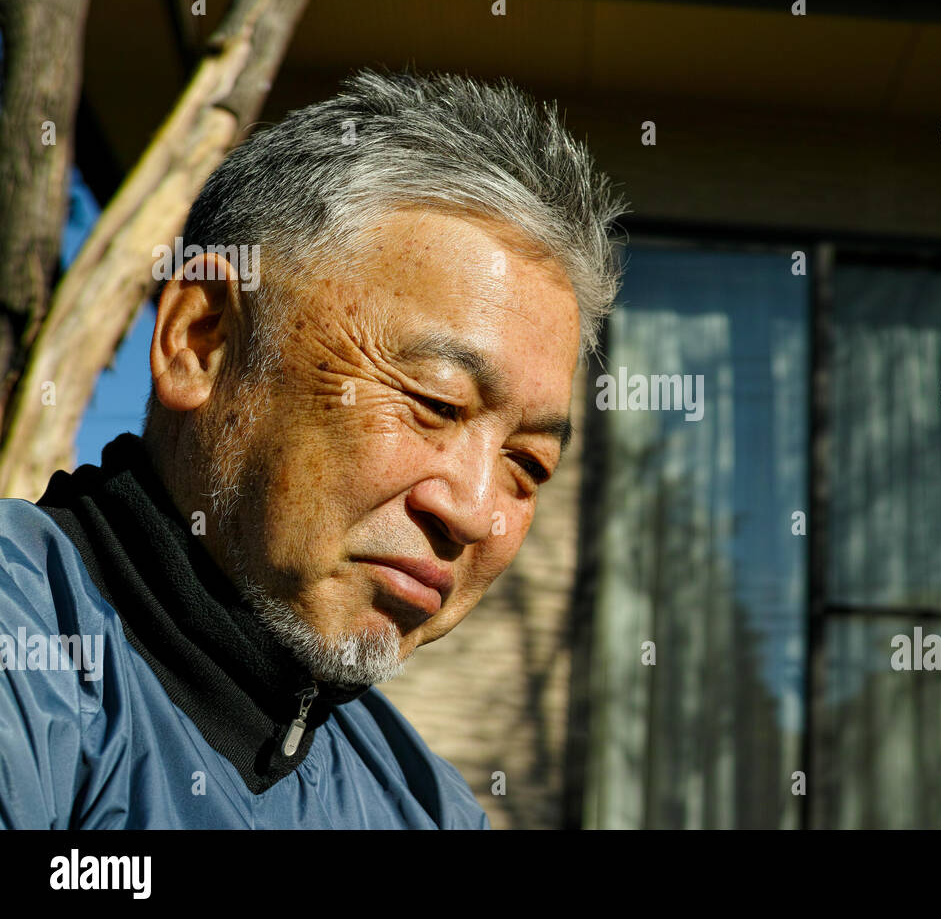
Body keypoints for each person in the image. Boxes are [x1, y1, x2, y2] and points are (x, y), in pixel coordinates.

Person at [0, 69, 628, 828]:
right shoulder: (29, 661)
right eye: (436, 402)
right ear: (204, 341)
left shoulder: (424, 808)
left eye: (528, 465)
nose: (474, 512)